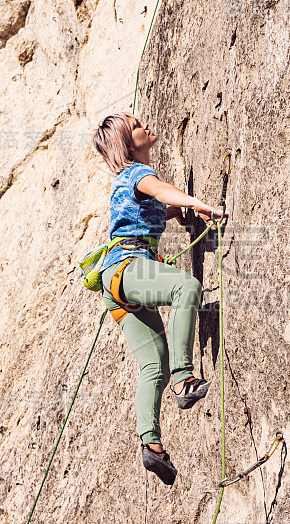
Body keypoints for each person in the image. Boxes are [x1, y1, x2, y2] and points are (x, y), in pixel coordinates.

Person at [92, 112, 226, 485]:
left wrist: (180, 212)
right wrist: (200, 203)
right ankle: (185, 380)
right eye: (136, 125)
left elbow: (156, 206)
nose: (145, 123)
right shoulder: (136, 174)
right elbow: (161, 190)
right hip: (129, 268)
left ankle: (151, 446)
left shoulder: (128, 182)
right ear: (129, 144)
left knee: (154, 368)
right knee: (187, 287)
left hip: (115, 286)